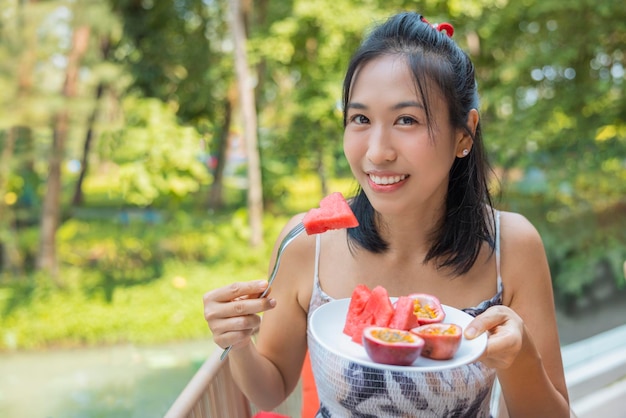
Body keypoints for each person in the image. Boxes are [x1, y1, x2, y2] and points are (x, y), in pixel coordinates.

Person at [203, 11, 571, 417]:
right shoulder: (308, 245)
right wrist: (236, 342)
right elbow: (270, 390)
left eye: (406, 120)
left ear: (464, 134)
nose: (377, 152)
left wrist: (520, 359)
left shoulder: (511, 246)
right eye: (360, 118)